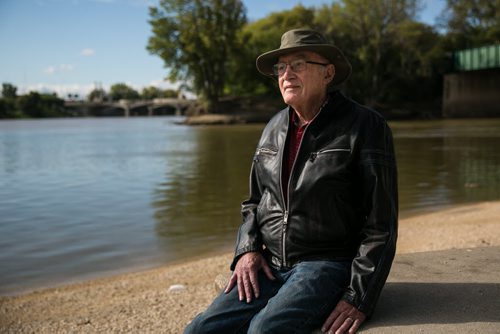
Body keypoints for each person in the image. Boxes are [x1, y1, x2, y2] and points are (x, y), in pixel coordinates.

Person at [184, 28, 398, 334]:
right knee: (200, 330)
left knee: (263, 330)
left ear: (328, 73)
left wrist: (358, 297)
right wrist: (247, 249)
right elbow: (254, 201)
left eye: (298, 64)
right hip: (269, 262)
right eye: (281, 68)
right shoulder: (273, 126)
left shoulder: (366, 125)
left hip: (328, 263)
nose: (287, 74)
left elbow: (382, 224)